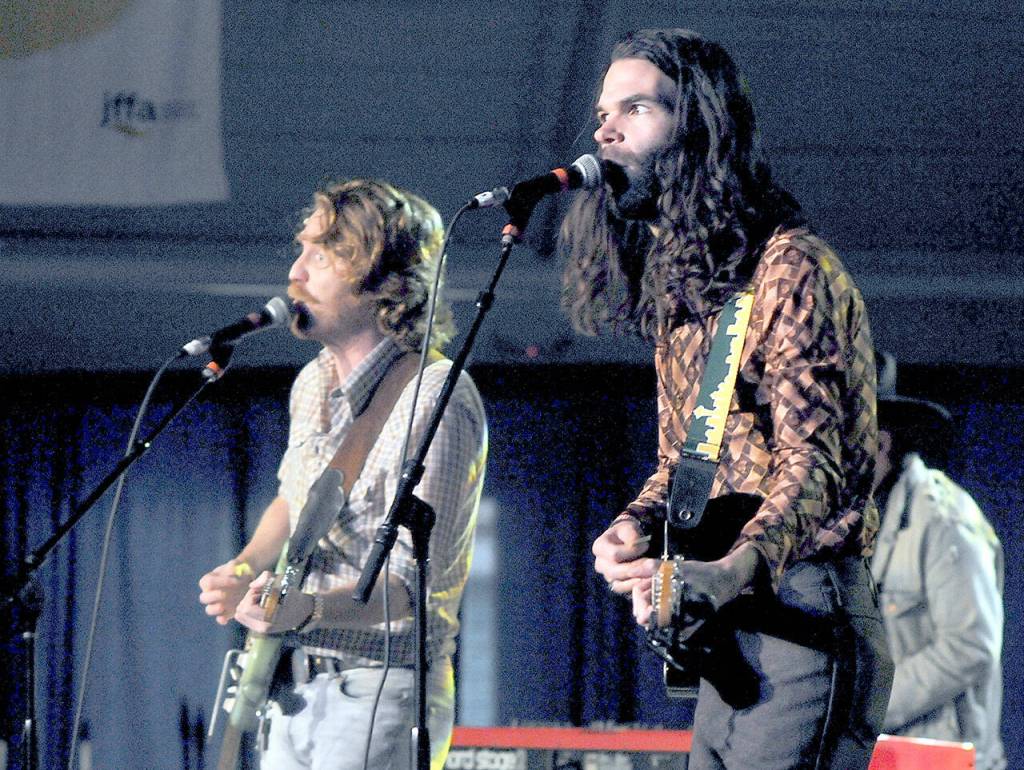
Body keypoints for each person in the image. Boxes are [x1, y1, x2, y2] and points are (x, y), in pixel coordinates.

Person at [567, 29, 893, 768]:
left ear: (699, 128)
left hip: (804, 614)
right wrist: (632, 527)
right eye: (602, 113)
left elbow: (820, 465)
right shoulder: (690, 291)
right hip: (732, 631)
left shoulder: (792, 269)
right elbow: (685, 463)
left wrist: (728, 569)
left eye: (637, 107)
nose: (605, 129)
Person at [198, 179, 488, 770]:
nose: (296, 272)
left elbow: (414, 590)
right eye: (301, 249)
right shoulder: (311, 383)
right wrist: (248, 564)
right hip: (294, 682)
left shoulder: (437, 396)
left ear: (383, 284)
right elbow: (293, 497)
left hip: (381, 687)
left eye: (322, 255)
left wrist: (304, 608)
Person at [870, 351, 1005, 769]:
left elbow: (971, 646)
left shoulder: (944, 518)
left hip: (941, 761)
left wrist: (868, 708)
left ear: (879, 442)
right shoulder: (852, 521)